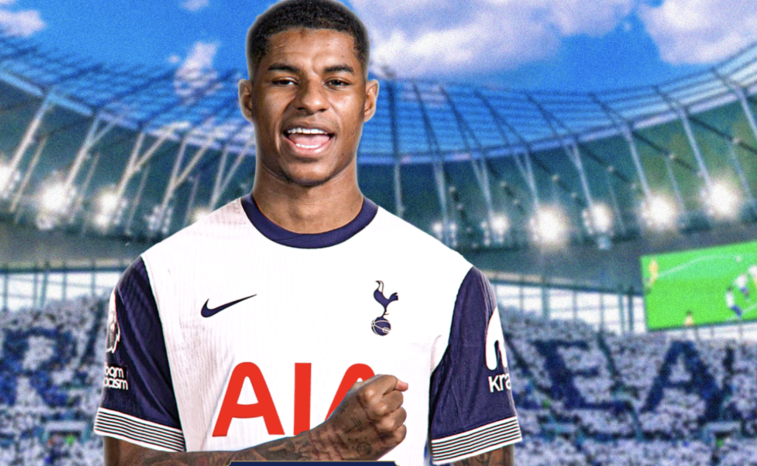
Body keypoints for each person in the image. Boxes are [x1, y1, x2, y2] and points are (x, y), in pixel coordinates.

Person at [94, 1, 521, 465]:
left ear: (368, 100)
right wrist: (320, 449)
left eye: (336, 82)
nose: (311, 100)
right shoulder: (160, 277)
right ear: (248, 99)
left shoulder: (449, 282)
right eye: (284, 81)